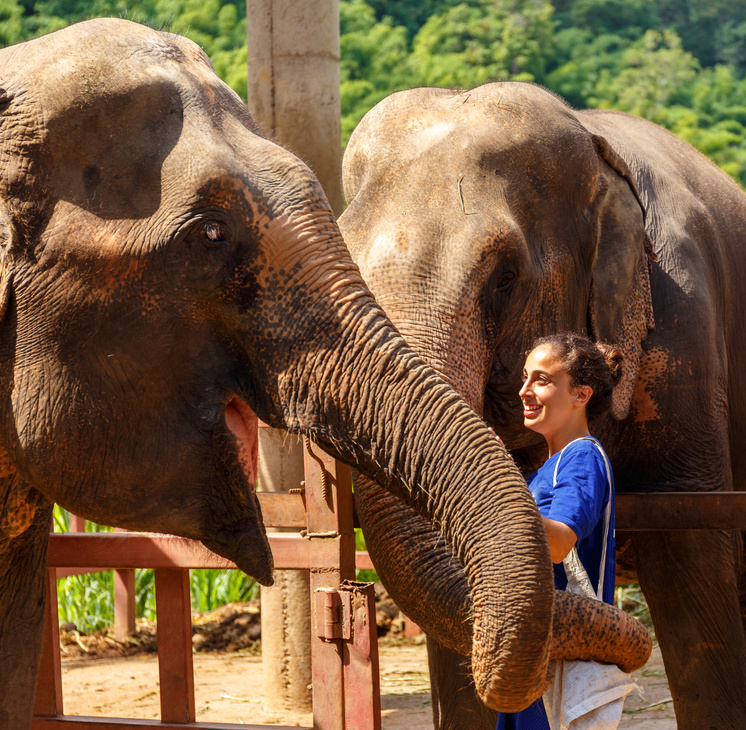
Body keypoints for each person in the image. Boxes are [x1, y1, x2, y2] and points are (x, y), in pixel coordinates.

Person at [496, 333, 622, 730]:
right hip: (535, 649)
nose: (524, 391)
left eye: (541, 380)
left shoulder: (582, 457)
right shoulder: (542, 472)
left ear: (580, 394)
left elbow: (558, 541)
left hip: (563, 654)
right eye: (524, 378)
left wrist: (495, 482)